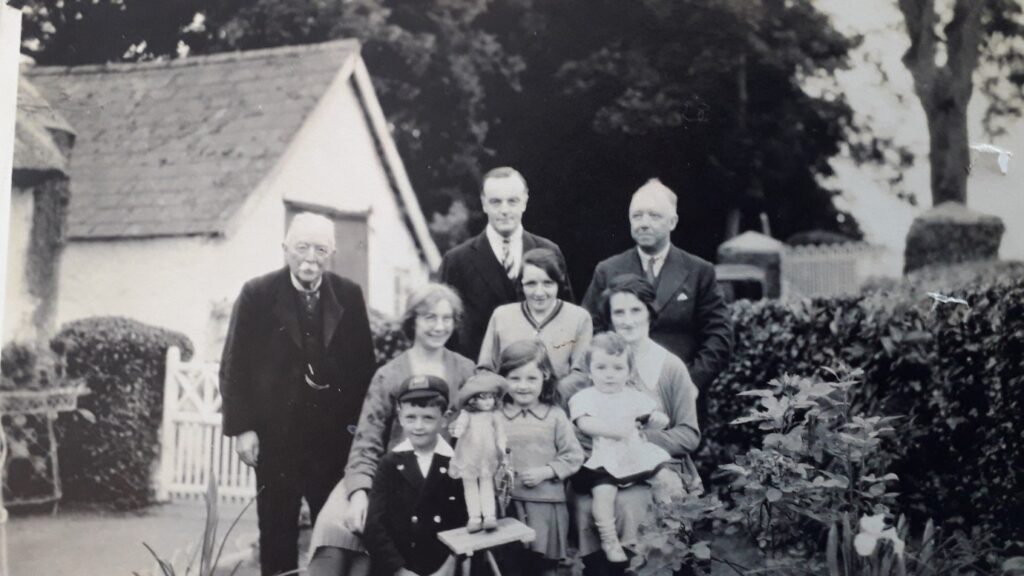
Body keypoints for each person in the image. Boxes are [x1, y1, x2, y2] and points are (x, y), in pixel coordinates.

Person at [219, 212, 376, 576]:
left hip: (332, 440)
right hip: (275, 438)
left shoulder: (349, 295)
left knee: (333, 532)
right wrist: (243, 429)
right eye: (301, 247)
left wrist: (357, 432)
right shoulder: (257, 294)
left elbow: (364, 368)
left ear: (332, 252)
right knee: (276, 530)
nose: (310, 257)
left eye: (320, 249)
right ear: (285, 248)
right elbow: (234, 364)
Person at [308, 283, 476, 576]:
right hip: (390, 473)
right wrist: (359, 492)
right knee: (335, 524)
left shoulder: (465, 372)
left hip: (440, 479)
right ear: (412, 321)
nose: (439, 326)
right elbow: (367, 440)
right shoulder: (389, 374)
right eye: (430, 318)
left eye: (446, 318)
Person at [563, 274, 701, 575]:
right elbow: (575, 424)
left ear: (650, 312)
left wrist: (640, 438)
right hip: (604, 466)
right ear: (609, 318)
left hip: (656, 467)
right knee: (591, 504)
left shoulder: (671, 367)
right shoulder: (595, 367)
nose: (627, 320)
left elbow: (689, 435)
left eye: (636, 310)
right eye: (619, 312)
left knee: (640, 504)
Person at [581, 178, 732, 396]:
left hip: (681, 390)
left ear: (672, 221)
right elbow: (589, 330)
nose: (643, 223)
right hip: (617, 391)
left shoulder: (699, 271)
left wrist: (691, 382)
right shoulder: (608, 270)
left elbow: (719, 334)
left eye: (654, 215)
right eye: (637, 215)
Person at [568, 333, 684, 563]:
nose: (609, 374)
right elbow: (584, 423)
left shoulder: (633, 396)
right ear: (590, 371)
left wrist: (657, 419)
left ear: (629, 372)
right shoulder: (585, 397)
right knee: (603, 492)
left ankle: (671, 520)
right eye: (601, 367)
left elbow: (650, 416)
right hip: (605, 459)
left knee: (664, 477)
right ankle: (609, 538)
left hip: (634, 454)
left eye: (617, 368)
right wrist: (613, 429)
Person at [439, 167, 574, 361]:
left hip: (538, 375)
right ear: (484, 204)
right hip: (480, 376)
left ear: (525, 202)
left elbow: (567, 318)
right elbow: (447, 329)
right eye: (496, 202)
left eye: (512, 201)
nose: (504, 210)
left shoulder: (549, 251)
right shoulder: (456, 260)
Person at [362, 375, 467, 576]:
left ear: (444, 419)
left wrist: (449, 566)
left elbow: (463, 520)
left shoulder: (456, 463)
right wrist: (400, 571)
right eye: (411, 417)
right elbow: (375, 526)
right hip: (399, 567)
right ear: (400, 417)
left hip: (444, 566)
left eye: (428, 418)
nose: (418, 426)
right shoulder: (390, 464)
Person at [497, 339, 584, 576]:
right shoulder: (496, 416)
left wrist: (546, 471)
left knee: (545, 568)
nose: (523, 386)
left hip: (546, 507)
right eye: (514, 378)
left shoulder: (555, 416)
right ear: (502, 379)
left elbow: (574, 455)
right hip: (509, 505)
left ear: (544, 377)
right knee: (510, 565)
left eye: (531, 378)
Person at [478, 248, 593, 378]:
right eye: (531, 284)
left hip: (560, 397)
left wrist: (552, 393)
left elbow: (581, 373)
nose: (539, 292)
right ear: (521, 285)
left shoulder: (579, 317)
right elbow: (485, 369)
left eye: (548, 283)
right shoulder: (501, 315)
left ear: (559, 284)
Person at [449, 372, 508, 533]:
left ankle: (489, 516)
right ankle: (474, 517)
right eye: (483, 397)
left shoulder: (495, 415)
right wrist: (457, 430)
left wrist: (502, 448)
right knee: (469, 484)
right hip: (468, 453)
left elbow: (500, 433)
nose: (488, 401)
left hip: (487, 455)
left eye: (491, 397)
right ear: (472, 399)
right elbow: (459, 426)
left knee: (487, 483)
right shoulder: (467, 414)